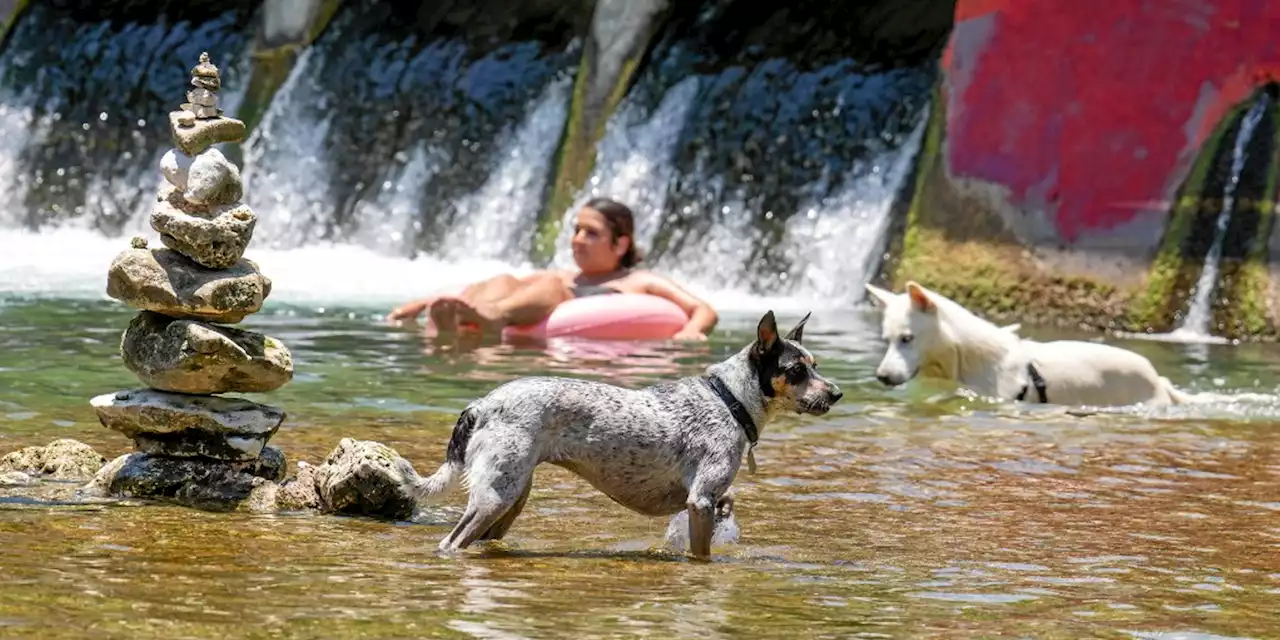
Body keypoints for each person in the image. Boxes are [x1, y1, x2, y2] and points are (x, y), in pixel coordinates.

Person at [388, 197, 720, 341]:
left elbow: (703, 309)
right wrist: (423, 303)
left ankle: (491, 318)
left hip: (568, 348)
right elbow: (495, 284)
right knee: (506, 277)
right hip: (523, 324)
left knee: (550, 284)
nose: (577, 239)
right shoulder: (565, 275)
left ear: (621, 244)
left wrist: (692, 331)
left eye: (591, 233)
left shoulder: (639, 282)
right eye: (576, 230)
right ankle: (463, 320)